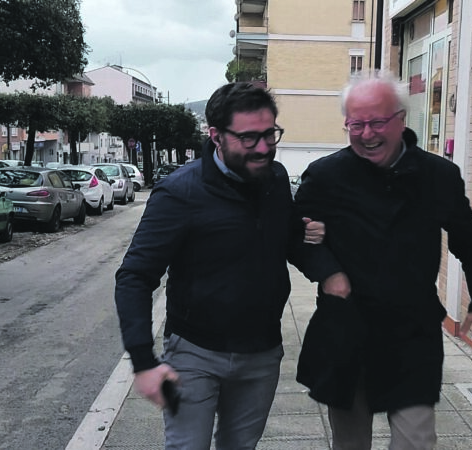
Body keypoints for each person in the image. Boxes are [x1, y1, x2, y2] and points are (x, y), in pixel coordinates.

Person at [114, 82, 340, 450]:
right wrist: (143, 361)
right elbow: (135, 276)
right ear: (216, 136)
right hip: (194, 353)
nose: (263, 147)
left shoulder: (275, 178)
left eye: (269, 134)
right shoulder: (179, 192)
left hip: (262, 352)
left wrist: (328, 269)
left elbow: (287, 240)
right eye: (249, 138)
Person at [294, 72, 472, 450]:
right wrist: (328, 272)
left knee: (416, 440)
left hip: (411, 334)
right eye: (356, 124)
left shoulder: (438, 175)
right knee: (349, 443)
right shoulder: (325, 175)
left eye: (377, 122)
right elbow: (296, 237)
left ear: (401, 119)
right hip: (346, 328)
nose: (367, 134)